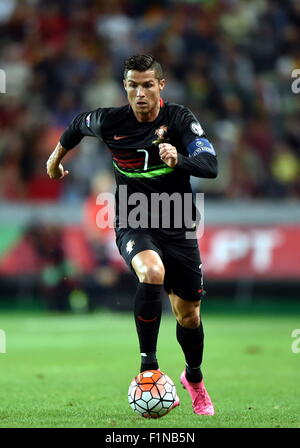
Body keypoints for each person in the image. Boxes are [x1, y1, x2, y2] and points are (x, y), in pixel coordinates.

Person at [46, 54, 217, 415]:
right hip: (133, 217)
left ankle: (195, 379)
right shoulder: (110, 121)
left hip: (178, 221)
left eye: (147, 85)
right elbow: (77, 125)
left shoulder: (180, 120)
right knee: (151, 272)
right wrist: (55, 159)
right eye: (132, 85)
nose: (140, 93)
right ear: (125, 87)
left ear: (160, 86)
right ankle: (148, 369)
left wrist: (180, 160)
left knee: (189, 315)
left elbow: (210, 165)